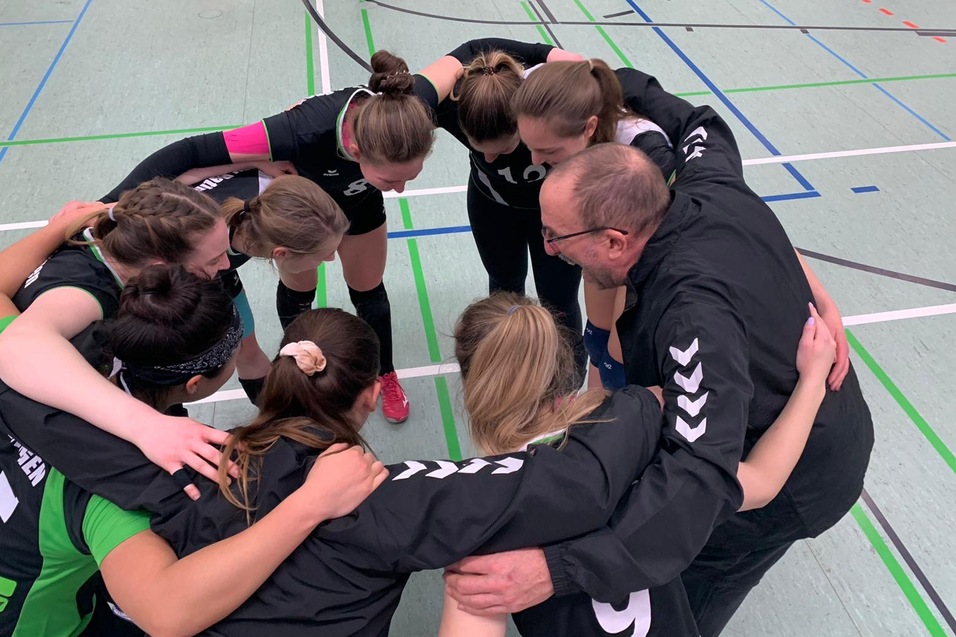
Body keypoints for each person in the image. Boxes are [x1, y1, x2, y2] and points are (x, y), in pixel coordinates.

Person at [443, 70, 874, 637]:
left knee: (686, 597)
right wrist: (602, 80)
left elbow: (702, 477)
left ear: (615, 240)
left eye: (557, 238)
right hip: (769, 412)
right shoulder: (708, 180)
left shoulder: (691, 319)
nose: (547, 249)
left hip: (798, 472)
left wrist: (558, 570)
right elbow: (698, 120)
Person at [4, 300, 665, 636]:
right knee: (473, 578)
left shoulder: (187, 463)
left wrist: (140, 423)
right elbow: (573, 486)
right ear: (373, 394)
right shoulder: (380, 501)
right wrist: (643, 399)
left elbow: (26, 380)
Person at [0, 264, 386, 636]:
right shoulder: (116, 486)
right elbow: (165, 612)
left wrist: (56, 231)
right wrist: (312, 503)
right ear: (195, 383)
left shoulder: (47, 355)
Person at [100, 50, 465, 425]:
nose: (401, 190)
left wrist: (531, 58)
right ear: (356, 150)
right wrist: (104, 207)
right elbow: (191, 152)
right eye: (390, 180)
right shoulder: (297, 131)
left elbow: (463, 57)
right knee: (294, 297)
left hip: (347, 212)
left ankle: (384, 373)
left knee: (369, 292)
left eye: (409, 178)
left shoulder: (404, 110)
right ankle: (295, 373)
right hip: (298, 219)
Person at [439, 295, 836, 637]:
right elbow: (764, 482)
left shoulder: (479, 506)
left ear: (472, 384)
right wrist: (813, 379)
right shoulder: (643, 429)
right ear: (562, 361)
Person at [0, 179, 234, 497]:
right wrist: (145, 425)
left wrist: (71, 223)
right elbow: (17, 344)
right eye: (213, 260)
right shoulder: (84, 295)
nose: (226, 264)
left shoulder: (107, 234)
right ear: (160, 267)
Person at [511, 58, 675, 390]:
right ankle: (590, 420)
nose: (535, 161)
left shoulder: (646, 154)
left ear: (589, 127)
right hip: (604, 230)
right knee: (596, 341)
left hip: (643, 251)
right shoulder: (539, 92)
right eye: (530, 147)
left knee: (618, 361)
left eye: (548, 151)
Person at [435, 39, 588, 380]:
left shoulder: (550, 109)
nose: (488, 158)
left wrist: (548, 53)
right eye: (479, 149)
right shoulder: (458, 107)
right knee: (504, 290)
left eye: (501, 149)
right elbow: (388, 107)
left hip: (554, 218)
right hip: (493, 212)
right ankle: (511, 367)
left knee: (559, 298)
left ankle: (571, 379)